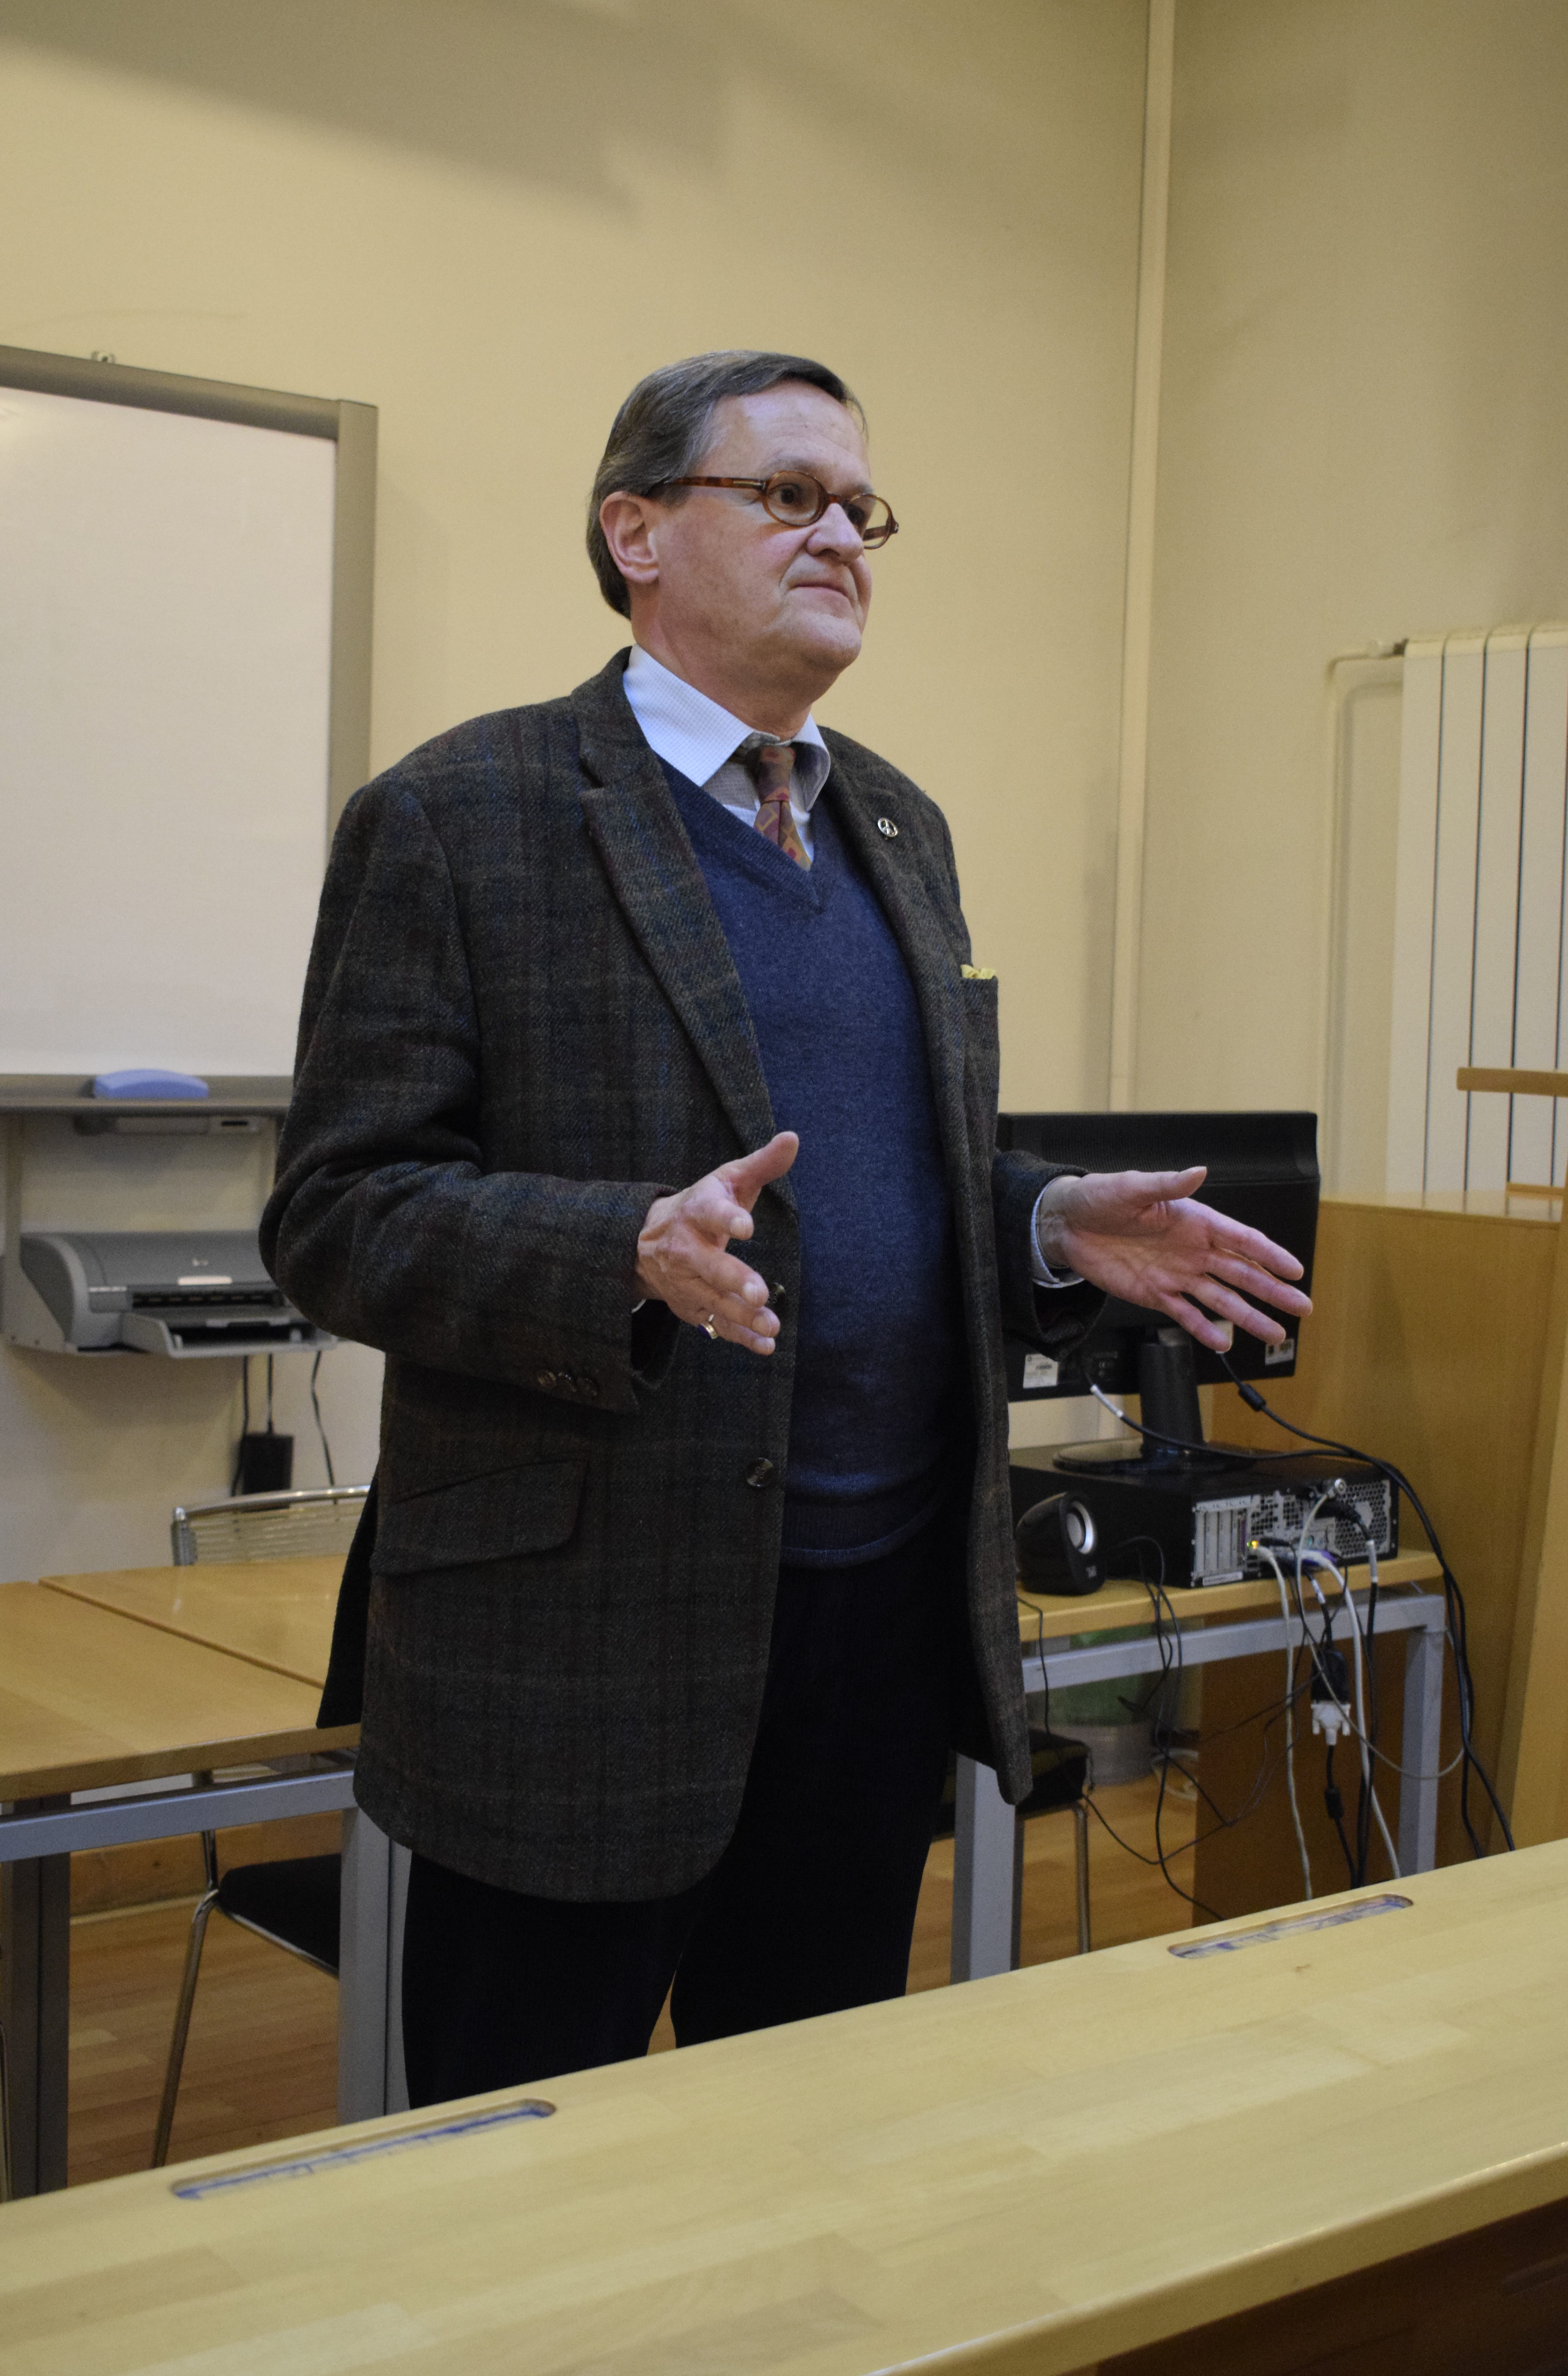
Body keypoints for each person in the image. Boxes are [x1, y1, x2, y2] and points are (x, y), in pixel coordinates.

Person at [263, 349, 1309, 2105]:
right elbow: (336, 1213)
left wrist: (1044, 1222)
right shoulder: (460, 816)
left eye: (860, 508)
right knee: (522, 2163)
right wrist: (617, 1250)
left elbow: (884, 1170)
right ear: (637, 532)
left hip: (877, 1622)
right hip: (585, 1629)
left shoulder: (898, 821)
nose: (840, 535)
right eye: (787, 494)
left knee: (809, 2142)